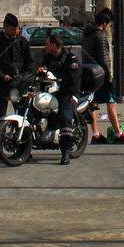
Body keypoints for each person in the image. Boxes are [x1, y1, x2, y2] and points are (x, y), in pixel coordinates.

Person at [81, 8, 124, 144]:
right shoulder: (100, 36)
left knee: (92, 104)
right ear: (104, 23)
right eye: (108, 25)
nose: (108, 28)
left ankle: (95, 133)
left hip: (88, 72)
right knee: (111, 102)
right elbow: (103, 57)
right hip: (100, 73)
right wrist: (108, 73)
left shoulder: (86, 35)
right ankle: (118, 133)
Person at [37, 31, 81, 165]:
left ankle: (65, 152)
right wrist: (39, 72)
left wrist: (59, 80)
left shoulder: (70, 58)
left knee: (65, 116)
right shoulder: (48, 58)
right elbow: (45, 71)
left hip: (68, 93)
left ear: (54, 45)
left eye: (47, 44)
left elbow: (73, 78)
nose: (45, 46)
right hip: (52, 93)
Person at [0, 13, 33, 124]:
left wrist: (22, 76)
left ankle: (21, 136)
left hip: (18, 84)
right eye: (12, 29)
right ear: (5, 27)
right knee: (0, 113)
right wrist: (2, 76)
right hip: (1, 83)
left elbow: (29, 63)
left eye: (17, 29)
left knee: (21, 112)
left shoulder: (22, 42)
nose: (15, 32)